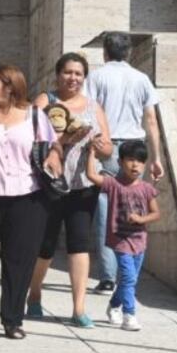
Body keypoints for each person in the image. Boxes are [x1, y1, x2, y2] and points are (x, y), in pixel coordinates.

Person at [0, 65, 62, 339]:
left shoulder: (34, 116)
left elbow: (53, 143)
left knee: (19, 260)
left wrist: (55, 156)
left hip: (28, 197)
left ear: (11, 87)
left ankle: (12, 319)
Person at [28, 53, 113, 327]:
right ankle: (35, 293)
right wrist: (66, 139)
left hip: (83, 186)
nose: (73, 78)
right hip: (50, 185)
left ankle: (78, 308)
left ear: (84, 77)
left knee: (80, 244)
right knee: (46, 246)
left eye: (78, 73)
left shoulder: (93, 107)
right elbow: (30, 139)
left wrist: (102, 149)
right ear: (57, 74)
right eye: (68, 72)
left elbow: (109, 147)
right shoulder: (45, 102)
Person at [85, 32, 163, 294]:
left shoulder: (96, 77)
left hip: (107, 144)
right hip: (136, 147)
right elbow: (151, 120)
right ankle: (130, 267)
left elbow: (88, 114)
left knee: (107, 208)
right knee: (134, 207)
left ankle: (108, 277)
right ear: (128, 53)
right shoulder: (141, 79)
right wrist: (156, 158)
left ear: (105, 52)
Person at [85, 140, 159, 331]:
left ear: (144, 165)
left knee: (130, 279)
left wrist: (142, 219)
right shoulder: (113, 184)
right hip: (120, 240)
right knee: (128, 278)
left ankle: (113, 306)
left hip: (139, 241)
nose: (135, 165)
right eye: (130, 160)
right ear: (120, 162)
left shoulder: (147, 188)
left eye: (140, 161)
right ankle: (129, 315)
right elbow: (92, 175)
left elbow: (156, 213)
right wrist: (92, 152)